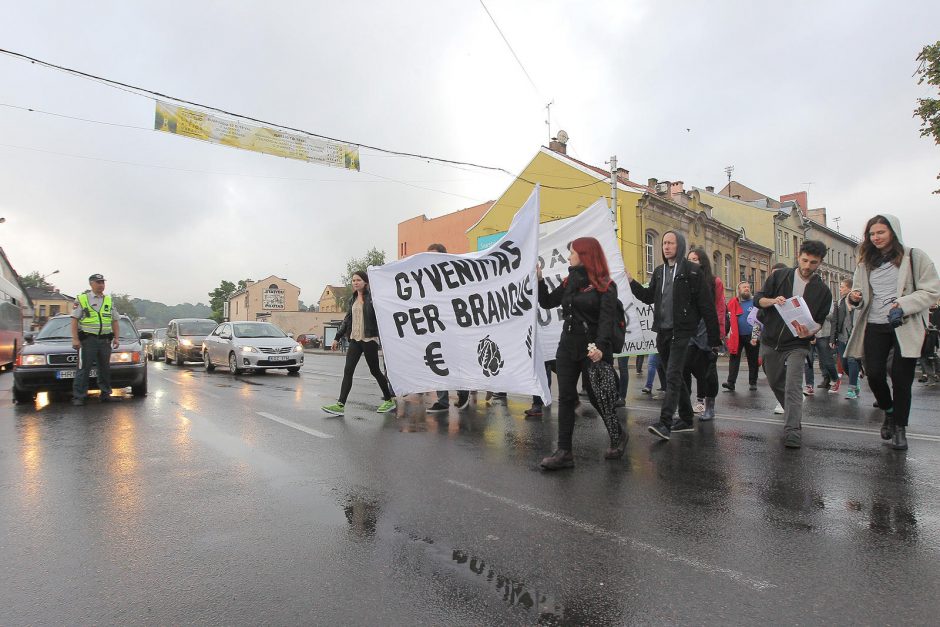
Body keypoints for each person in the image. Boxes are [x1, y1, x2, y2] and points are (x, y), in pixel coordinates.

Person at [845, 215, 940, 450]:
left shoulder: (914, 257)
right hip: (875, 324)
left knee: (901, 379)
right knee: (874, 374)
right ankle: (889, 411)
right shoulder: (865, 263)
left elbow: (931, 291)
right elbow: (857, 293)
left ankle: (900, 428)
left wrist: (903, 304)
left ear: (893, 232)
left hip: (904, 324)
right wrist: (853, 297)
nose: (875, 238)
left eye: (881, 232)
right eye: (872, 234)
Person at [537, 237, 627, 469]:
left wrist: (600, 347)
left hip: (592, 348)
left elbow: (607, 320)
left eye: (573, 253)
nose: (569, 257)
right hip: (567, 345)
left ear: (586, 254)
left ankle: (618, 434)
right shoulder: (570, 281)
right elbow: (547, 302)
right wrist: (538, 280)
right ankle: (564, 452)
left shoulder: (605, 285)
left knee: (599, 398)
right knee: (566, 397)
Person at [628, 231, 720, 440]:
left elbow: (707, 307)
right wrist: (631, 281)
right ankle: (686, 418)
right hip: (663, 331)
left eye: (670, 243)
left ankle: (665, 422)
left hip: (682, 331)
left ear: (679, 245)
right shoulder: (659, 272)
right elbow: (647, 297)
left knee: (672, 375)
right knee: (670, 372)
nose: (666, 246)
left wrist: (715, 340)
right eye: (664, 243)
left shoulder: (692, 271)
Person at [755, 241, 833, 448]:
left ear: (820, 263)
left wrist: (810, 331)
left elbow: (819, 322)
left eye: (813, 262)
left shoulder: (823, 291)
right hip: (771, 340)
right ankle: (791, 410)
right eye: (804, 260)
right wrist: (772, 301)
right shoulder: (780, 276)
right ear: (798, 257)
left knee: (792, 386)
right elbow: (758, 299)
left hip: (798, 344)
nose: (807, 266)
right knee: (774, 382)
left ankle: (792, 430)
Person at [322, 270, 396, 416]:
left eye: (358, 280)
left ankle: (389, 400)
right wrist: (337, 337)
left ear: (365, 282)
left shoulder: (373, 298)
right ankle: (340, 404)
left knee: (375, 371)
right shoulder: (352, 299)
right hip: (355, 339)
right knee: (348, 371)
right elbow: (347, 319)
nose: (355, 282)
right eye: (354, 280)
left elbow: (383, 317)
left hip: (369, 339)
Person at [423, 244, 471, 412]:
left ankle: (463, 390)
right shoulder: (424, 277)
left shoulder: (453, 273)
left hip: (453, 327)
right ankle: (442, 401)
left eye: (434, 255)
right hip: (434, 326)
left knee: (456, 361)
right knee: (438, 361)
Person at [683, 248, 722, 421]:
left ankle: (709, 406)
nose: (692, 262)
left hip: (707, 328)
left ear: (702, 262)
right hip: (690, 329)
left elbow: (720, 308)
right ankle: (685, 405)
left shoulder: (714, 282)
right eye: (689, 259)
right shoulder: (684, 281)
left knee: (707, 369)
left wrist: (718, 334)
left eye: (695, 259)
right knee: (685, 365)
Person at [70, 273, 120, 405]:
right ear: (91, 284)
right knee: (83, 368)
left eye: (103, 282)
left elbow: (115, 320)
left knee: (104, 368)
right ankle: (79, 396)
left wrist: (116, 338)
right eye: (98, 282)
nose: (101, 285)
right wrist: (75, 339)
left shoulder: (108, 300)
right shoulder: (82, 299)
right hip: (88, 340)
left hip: (104, 340)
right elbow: (74, 320)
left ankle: (105, 394)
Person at [724, 281, 760, 392]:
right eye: (744, 287)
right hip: (737, 336)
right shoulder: (733, 302)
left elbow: (759, 320)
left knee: (753, 359)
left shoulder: (755, 302)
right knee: (734, 359)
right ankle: (731, 382)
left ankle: (753, 382)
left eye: (748, 287)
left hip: (752, 335)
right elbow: (727, 318)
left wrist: (756, 336)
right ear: (738, 290)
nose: (746, 289)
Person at [830, 278, 861, 399]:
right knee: (844, 363)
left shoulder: (857, 301)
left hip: (854, 337)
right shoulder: (839, 303)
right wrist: (833, 339)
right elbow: (835, 322)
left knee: (852, 360)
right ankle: (855, 380)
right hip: (842, 337)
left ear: (849, 288)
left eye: (842, 287)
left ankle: (852, 388)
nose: (840, 289)